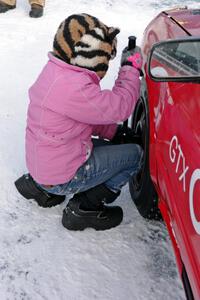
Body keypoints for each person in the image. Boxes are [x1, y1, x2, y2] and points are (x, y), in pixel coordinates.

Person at [15, 13, 143, 231]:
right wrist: (130, 69)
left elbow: (80, 115)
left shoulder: (54, 71)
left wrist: (112, 132)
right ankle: (85, 209)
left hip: (42, 166)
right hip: (62, 176)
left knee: (116, 146)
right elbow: (121, 108)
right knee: (134, 155)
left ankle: (42, 188)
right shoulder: (76, 88)